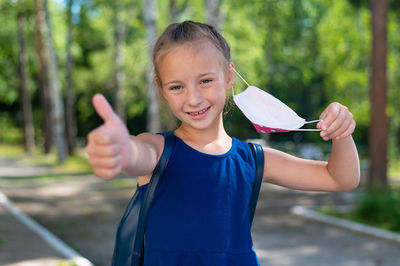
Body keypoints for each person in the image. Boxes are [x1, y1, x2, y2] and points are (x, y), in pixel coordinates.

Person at [85, 21, 360, 265]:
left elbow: (339, 179)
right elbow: (136, 153)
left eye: (205, 81)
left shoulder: (252, 159)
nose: (193, 98)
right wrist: (120, 149)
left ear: (229, 77)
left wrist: (342, 132)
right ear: (161, 88)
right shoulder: (158, 150)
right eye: (177, 86)